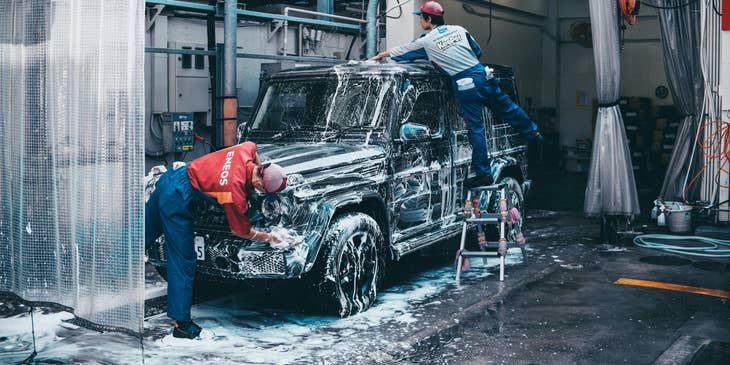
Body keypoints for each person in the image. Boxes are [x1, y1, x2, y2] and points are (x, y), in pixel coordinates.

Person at [370, 1, 541, 187]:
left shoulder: (426, 41)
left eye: (421, 17)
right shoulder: (459, 30)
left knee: (476, 129)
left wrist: (378, 56)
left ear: (428, 19)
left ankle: (483, 174)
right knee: (507, 108)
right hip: (482, 74)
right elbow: (477, 51)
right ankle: (533, 132)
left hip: (465, 84)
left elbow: (401, 52)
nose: (420, 20)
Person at [145, 141, 287, 339]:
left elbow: (253, 147)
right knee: (182, 260)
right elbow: (241, 230)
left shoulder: (244, 151)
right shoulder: (234, 192)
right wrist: (270, 237)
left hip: (171, 178)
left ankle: (108, 268)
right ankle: (182, 325)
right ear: (260, 183)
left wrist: (257, 178)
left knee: (142, 234)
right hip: (177, 199)